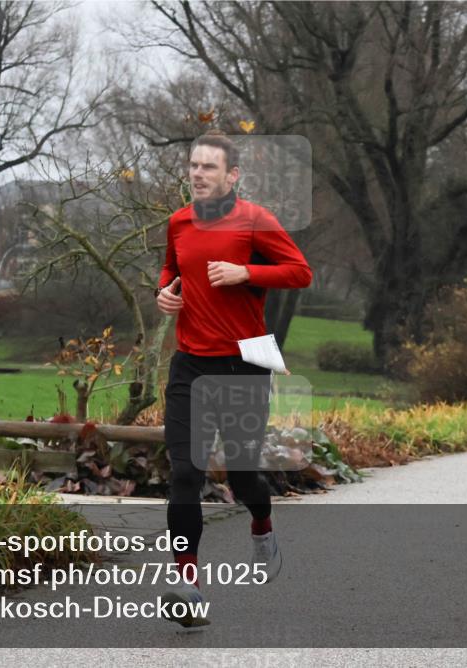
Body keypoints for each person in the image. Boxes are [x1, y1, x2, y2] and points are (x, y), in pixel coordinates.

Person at [155, 131, 313, 628]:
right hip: (190, 365)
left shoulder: (254, 221)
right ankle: (189, 584)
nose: (198, 174)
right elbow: (169, 271)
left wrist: (247, 273)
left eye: (209, 167)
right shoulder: (178, 222)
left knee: (243, 475)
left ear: (232, 176)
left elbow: (300, 272)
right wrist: (165, 294)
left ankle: (262, 525)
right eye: (194, 165)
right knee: (185, 473)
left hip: (243, 365)